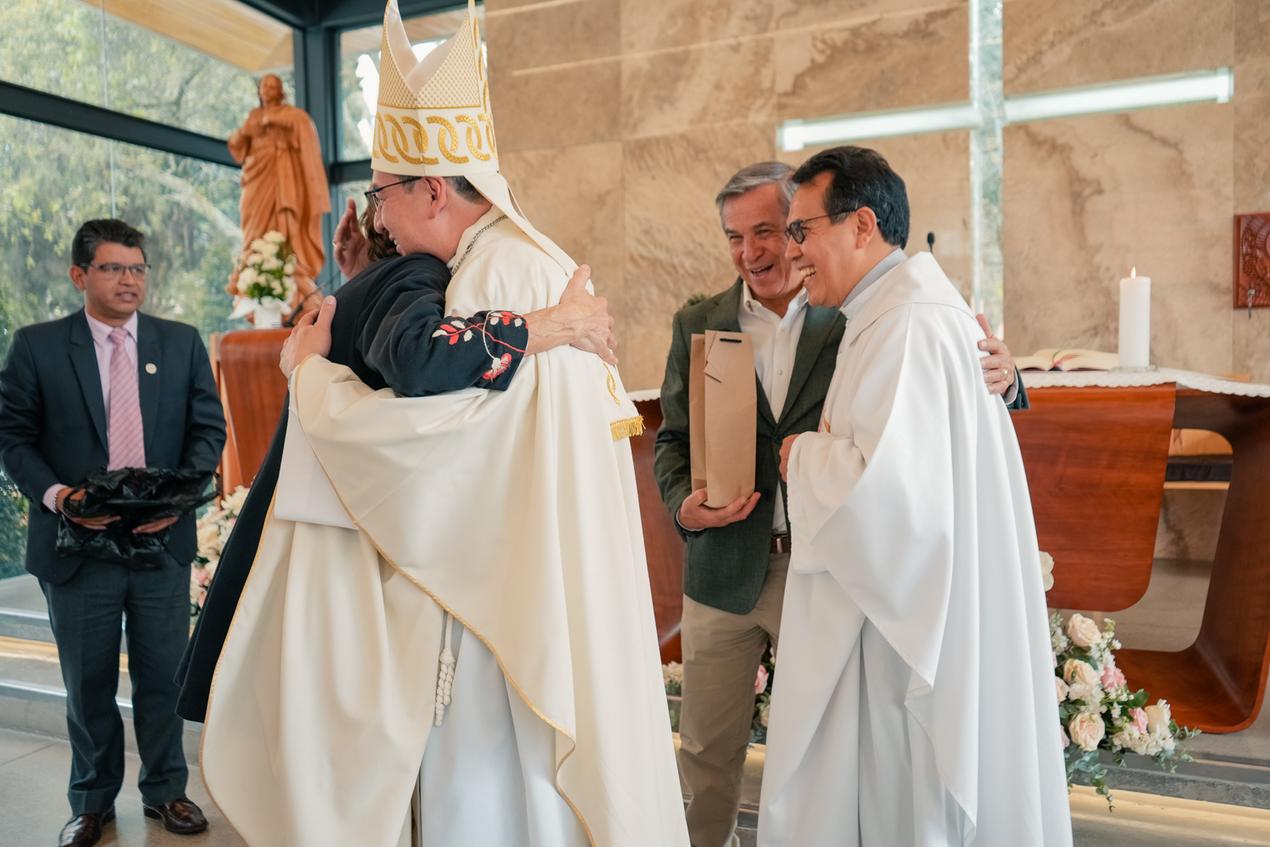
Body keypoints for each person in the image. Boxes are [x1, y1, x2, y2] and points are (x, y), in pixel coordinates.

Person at [198, 2, 687, 846]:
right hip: (533, 582)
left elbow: (430, 445)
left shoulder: (493, 274)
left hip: (499, 614)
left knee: (500, 800)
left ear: (432, 188)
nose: (379, 218)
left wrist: (311, 380)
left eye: (381, 195)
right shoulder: (529, 264)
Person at [653, 162, 1025, 847]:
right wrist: (684, 508)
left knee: (821, 745)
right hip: (724, 567)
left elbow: (931, 403)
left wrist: (1006, 376)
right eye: (735, 236)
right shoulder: (698, 321)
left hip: (822, 570)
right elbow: (672, 440)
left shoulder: (854, 307)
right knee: (705, 750)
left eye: (774, 230)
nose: (754, 251)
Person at [176, 193, 617, 723]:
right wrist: (559, 323)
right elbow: (419, 359)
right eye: (378, 202)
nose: (382, 213)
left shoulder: (379, 281)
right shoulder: (417, 271)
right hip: (340, 531)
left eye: (379, 198)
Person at [758, 147, 1070, 846]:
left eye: (801, 230)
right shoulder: (894, 311)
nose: (790, 250)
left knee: (904, 796)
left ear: (862, 225)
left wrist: (800, 456)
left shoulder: (908, 322)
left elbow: (892, 501)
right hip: (907, 610)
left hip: (906, 631)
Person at [0, 219, 226, 847]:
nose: (129, 280)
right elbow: (12, 437)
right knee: (88, 683)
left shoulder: (179, 343)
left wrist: (177, 502)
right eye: (113, 268)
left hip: (159, 540)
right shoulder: (38, 347)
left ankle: (167, 792)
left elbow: (207, 431)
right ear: (80, 275)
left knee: (162, 677)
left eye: (137, 268)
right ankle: (92, 804)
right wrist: (60, 498)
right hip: (76, 546)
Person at [227, 73, 331, 313]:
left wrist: (277, 121)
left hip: (284, 176)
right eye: (264, 86)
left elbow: (304, 129)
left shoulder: (292, 115)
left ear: (281, 91)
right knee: (253, 227)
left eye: (272, 86)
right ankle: (253, 275)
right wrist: (246, 131)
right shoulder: (253, 116)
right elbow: (235, 145)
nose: (267, 90)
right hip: (257, 176)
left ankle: (290, 275)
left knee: (286, 225)